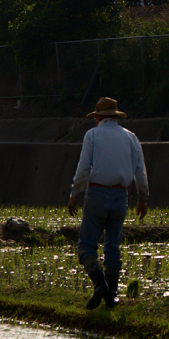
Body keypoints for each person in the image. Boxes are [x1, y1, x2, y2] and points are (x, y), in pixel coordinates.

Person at [68, 96, 149, 309]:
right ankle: (112, 294)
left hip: (96, 195)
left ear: (99, 117)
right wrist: (142, 199)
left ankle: (100, 284)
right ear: (114, 117)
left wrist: (75, 193)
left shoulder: (92, 135)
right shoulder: (131, 137)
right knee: (112, 247)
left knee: (86, 246)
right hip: (121, 197)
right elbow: (140, 172)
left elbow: (84, 169)